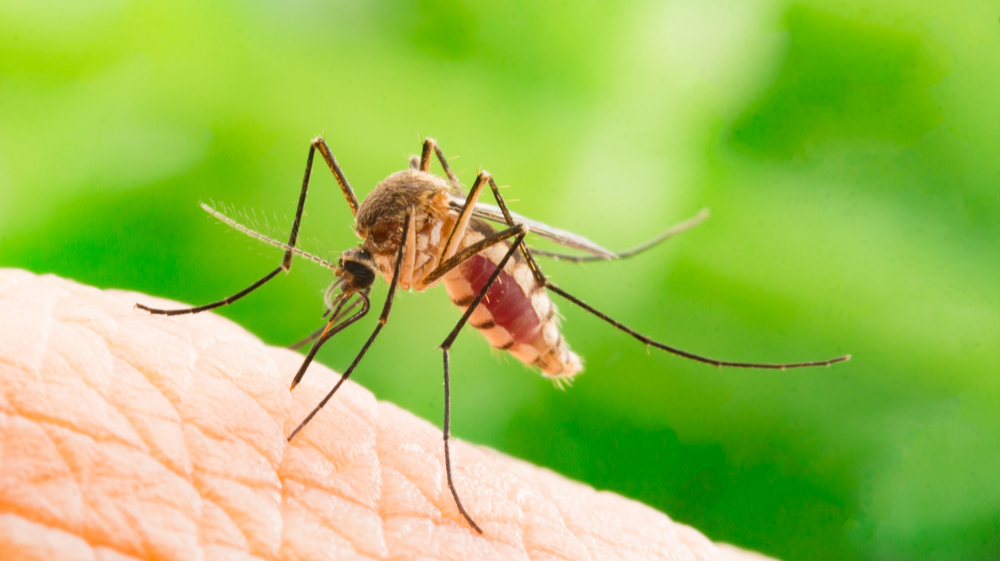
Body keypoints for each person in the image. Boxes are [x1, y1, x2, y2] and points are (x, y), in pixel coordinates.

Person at [0, 269, 775, 560]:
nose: (349, 286)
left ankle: (613, 323)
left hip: (482, 257)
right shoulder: (379, 241)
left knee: (465, 238)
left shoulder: (422, 249)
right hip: (446, 248)